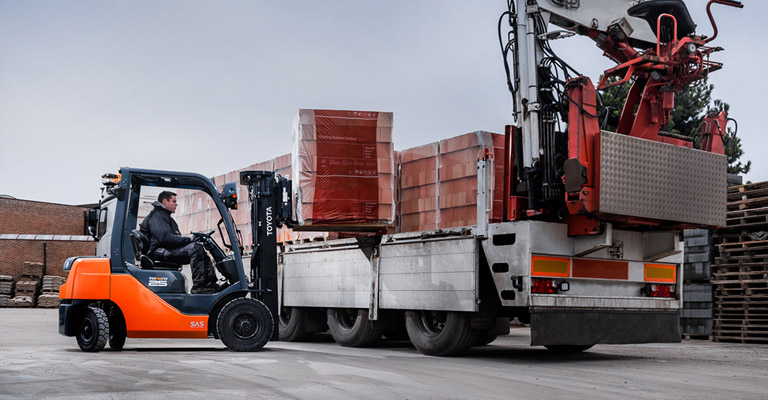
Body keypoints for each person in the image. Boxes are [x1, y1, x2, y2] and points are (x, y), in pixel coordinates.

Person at [140, 191, 220, 294]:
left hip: (164, 249)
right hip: (158, 252)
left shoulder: (163, 216)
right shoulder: (157, 216)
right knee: (195, 248)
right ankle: (199, 286)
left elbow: (173, 238)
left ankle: (209, 283)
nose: (176, 204)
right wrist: (189, 239)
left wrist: (190, 239)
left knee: (200, 251)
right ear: (165, 201)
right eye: (174, 201)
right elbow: (166, 238)